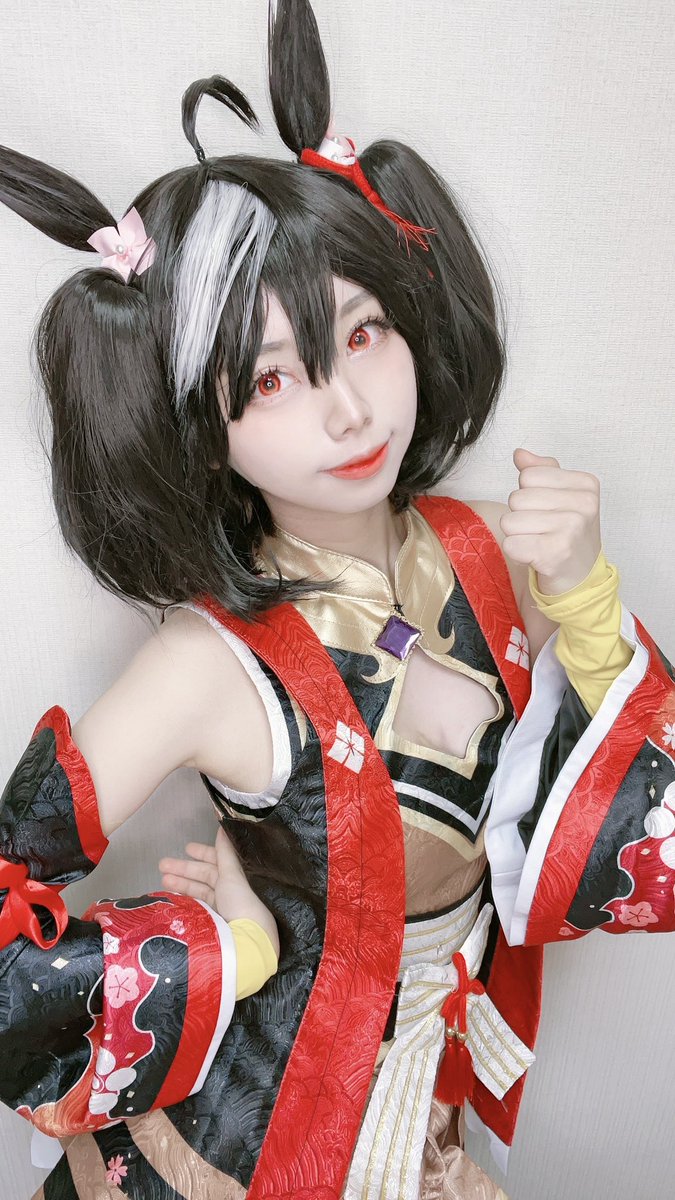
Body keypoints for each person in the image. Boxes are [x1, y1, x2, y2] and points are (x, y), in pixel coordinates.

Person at [1, 1, 674, 1197]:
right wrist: (224, 956)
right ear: (199, 429)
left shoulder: (486, 548)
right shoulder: (207, 662)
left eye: (364, 335)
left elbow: (642, 851)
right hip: (247, 1151)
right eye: (272, 380)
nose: (350, 410)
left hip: (432, 1104)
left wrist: (583, 599)